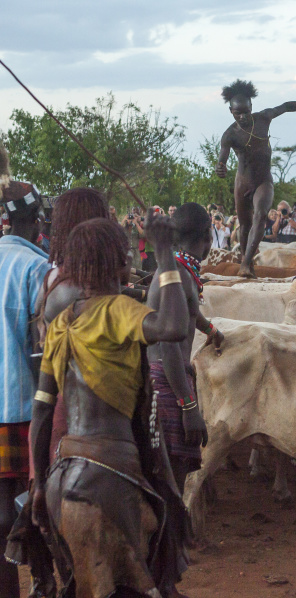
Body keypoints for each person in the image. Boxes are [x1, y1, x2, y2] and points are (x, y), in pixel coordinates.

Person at [31, 214, 192, 597]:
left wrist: (39, 486)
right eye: (125, 256)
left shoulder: (60, 324)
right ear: (115, 263)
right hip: (109, 477)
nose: (130, 263)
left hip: (60, 475)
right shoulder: (117, 310)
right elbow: (173, 327)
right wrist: (166, 254)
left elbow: (41, 412)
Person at [215, 79, 296, 277]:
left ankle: (245, 263)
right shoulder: (230, 134)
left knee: (261, 215)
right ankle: (247, 261)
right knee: (244, 225)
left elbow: (287, 106)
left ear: (252, 107)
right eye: (238, 113)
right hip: (242, 182)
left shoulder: (263, 118)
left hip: (263, 181)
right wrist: (221, 167)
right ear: (231, 111)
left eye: (246, 111)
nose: (243, 117)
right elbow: (222, 158)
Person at [148, 203, 224, 494]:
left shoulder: (179, 270)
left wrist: (210, 330)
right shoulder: (177, 275)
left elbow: (188, 312)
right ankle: (171, 539)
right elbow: (168, 345)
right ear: (207, 236)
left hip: (170, 379)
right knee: (170, 484)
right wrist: (188, 406)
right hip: (168, 383)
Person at [0, 176, 50, 598]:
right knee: (31, 506)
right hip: (22, 407)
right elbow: (43, 348)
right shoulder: (37, 267)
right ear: (36, 221)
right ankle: (39, 582)